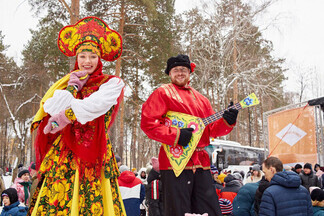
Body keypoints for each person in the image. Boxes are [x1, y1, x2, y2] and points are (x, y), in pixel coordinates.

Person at [27, 16, 126, 215]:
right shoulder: (66, 83)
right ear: (76, 58)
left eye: (92, 56)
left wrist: (67, 114)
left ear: (100, 59)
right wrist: (72, 87)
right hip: (64, 152)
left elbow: (94, 106)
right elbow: (51, 107)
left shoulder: (112, 83)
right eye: (82, 56)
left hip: (94, 152)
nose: (87, 61)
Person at [140, 54, 238, 216]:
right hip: (174, 162)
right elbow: (148, 124)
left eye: (184, 70)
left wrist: (227, 121)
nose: (180, 73)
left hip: (201, 163)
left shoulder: (202, 99)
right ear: (169, 73)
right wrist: (176, 135)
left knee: (209, 210)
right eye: (176, 70)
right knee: (178, 211)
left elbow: (212, 129)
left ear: (189, 73)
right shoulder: (162, 93)